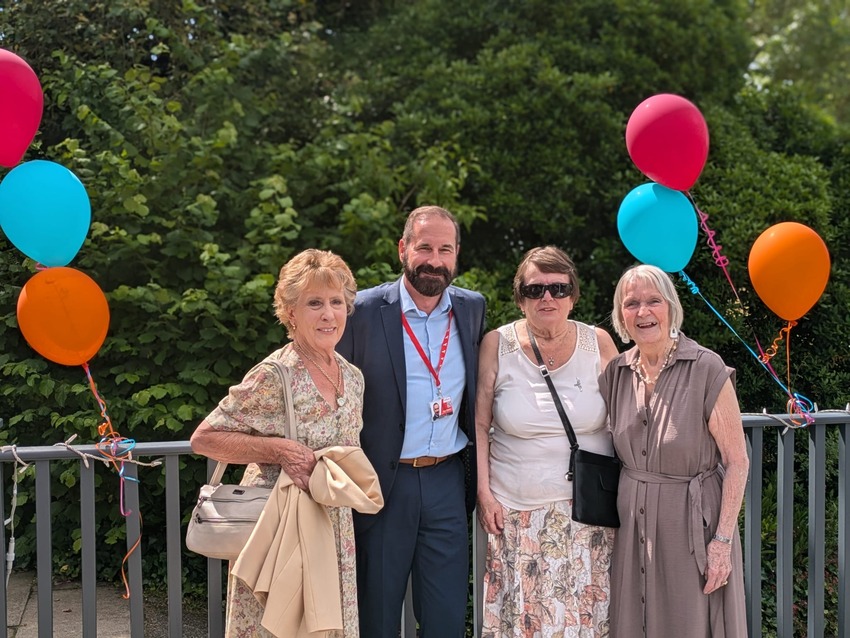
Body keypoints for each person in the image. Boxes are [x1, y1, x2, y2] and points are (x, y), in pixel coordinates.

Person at [190, 248, 366, 638]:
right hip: (280, 533)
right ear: (290, 312)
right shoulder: (275, 374)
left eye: (337, 302)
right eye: (314, 303)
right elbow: (205, 438)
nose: (328, 314)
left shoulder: (353, 378)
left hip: (335, 531)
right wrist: (277, 450)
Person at [336, 205, 486, 638]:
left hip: (447, 482)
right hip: (383, 482)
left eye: (445, 249)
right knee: (377, 616)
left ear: (457, 255)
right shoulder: (362, 311)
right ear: (403, 249)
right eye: (424, 247)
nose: (434, 260)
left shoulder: (472, 309)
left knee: (445, 616)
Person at [475, 246, 619, 638]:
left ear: (573, 295)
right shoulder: (497, 344)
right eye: (535, 290)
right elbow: (480, 424)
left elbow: (630, 416)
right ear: (520, 298)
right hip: (518, 516)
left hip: (589, 515)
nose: (547, 298)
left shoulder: (599, 343)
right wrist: (484, 494)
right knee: (526, 619)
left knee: (586, 618)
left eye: (558, 288)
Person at [600, 264, 749, 637]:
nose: (643, 312)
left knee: (689, 623)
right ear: (621, 315)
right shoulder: (616, 372)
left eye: (653, 301)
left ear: (671, 306)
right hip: (632, 529)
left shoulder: (706, 367)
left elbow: (737, 461)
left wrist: (722, 542)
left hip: (691, 527)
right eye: (631, 304)